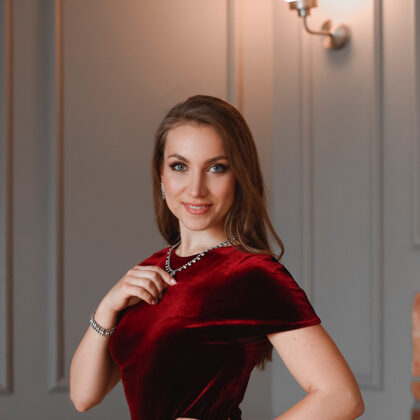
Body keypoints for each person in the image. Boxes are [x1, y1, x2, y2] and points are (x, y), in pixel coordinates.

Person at [69, 94, 365, 420]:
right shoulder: (149, 271)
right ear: (161, 175)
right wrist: (107, 306)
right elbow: (84, 395)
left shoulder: (251, 273)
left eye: (216, 168)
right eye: (179, 166)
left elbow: (342, 397)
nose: (196, 189)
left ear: (239, 176)